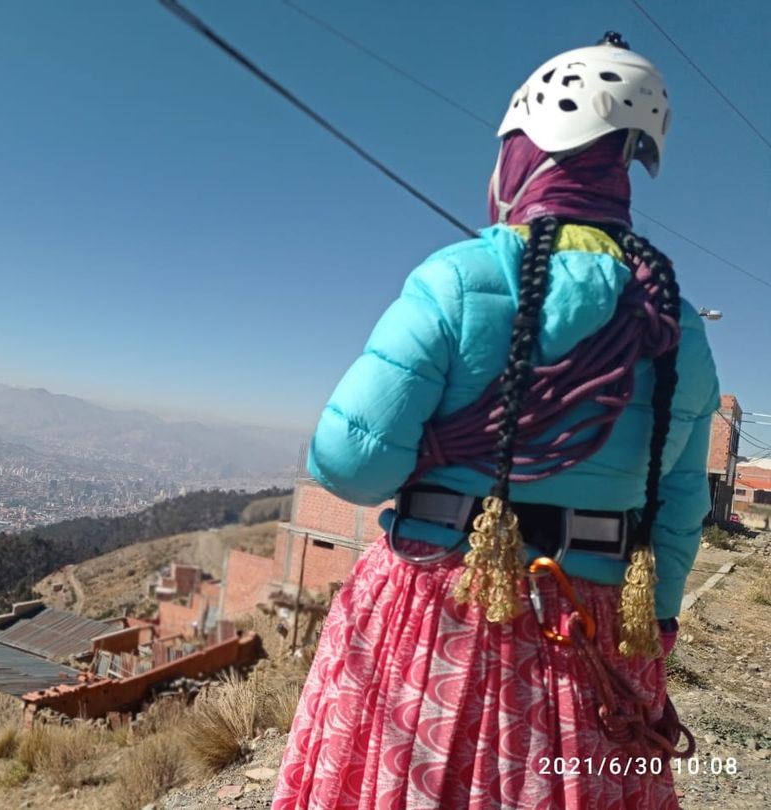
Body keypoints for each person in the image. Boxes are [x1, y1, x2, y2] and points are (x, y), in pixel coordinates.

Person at [271, 33, 718, 810]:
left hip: (442, 613)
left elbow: (349, 462)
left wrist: (438, 448)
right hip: (600, 620)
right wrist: (658, 623)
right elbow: (679, 506)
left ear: (526, 155)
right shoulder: (675, 318)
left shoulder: (462, 277)